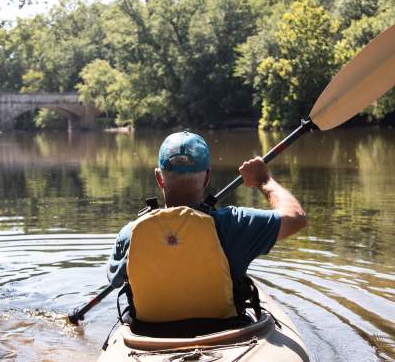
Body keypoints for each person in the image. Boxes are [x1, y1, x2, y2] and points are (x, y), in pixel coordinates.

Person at [107, 131, 306, 328]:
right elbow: (296, 218)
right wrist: (264, 180)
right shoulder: (234, 225)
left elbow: (115, 280)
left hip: (148, 337)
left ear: (159, 178)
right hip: (225, 332)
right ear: (207, 177)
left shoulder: (131, 234)